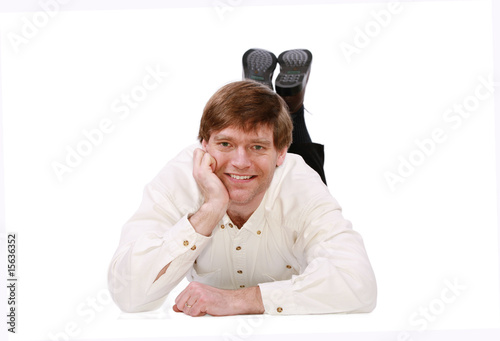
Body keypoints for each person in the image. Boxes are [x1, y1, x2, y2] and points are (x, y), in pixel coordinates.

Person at [108, 48, 377, 316]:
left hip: (291, 175)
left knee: (302, 157)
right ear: (203, 145)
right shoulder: (179, 180)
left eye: (257, 147)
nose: (240, 161)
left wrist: (236, 301)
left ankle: (286, 107)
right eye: (225, 144)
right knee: (263, 135)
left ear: (281, 153)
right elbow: (128, 294)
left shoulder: (300, 183)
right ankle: (269, 102)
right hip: (272, 168)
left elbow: (359, 285)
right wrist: (210, 210)